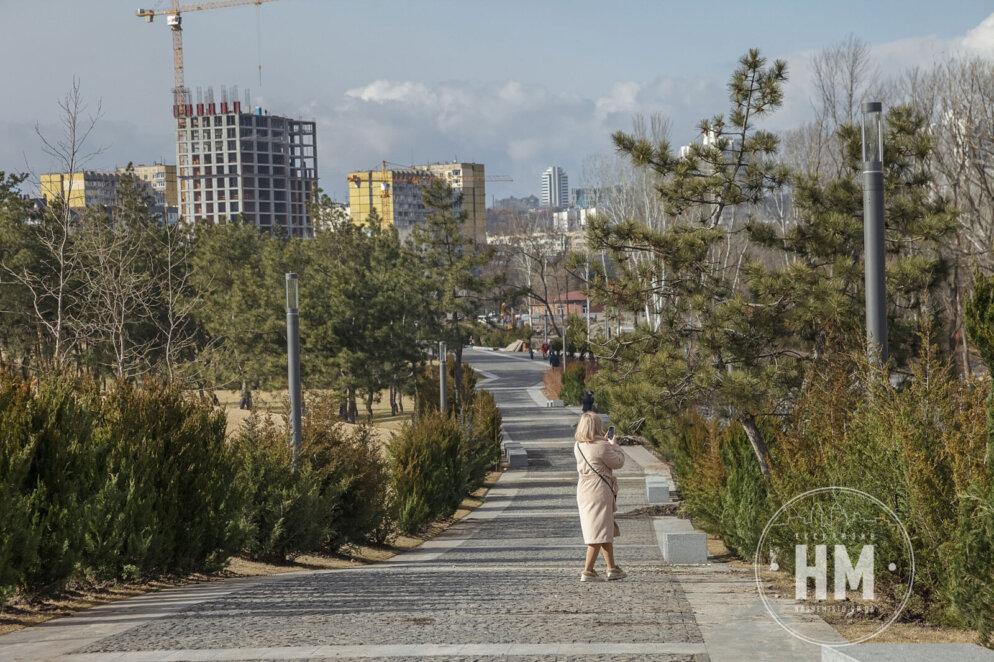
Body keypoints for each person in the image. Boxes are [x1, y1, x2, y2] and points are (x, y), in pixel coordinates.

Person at [574, 412, 627, 582]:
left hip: (584, 490)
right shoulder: (602, 446)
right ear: (596, 426)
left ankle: (612, 568)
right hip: (599, 490)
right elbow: (618, 462)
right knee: (597, 532)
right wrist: (614, 445)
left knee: (603, 528)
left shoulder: (579, 445)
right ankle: (587, 571)